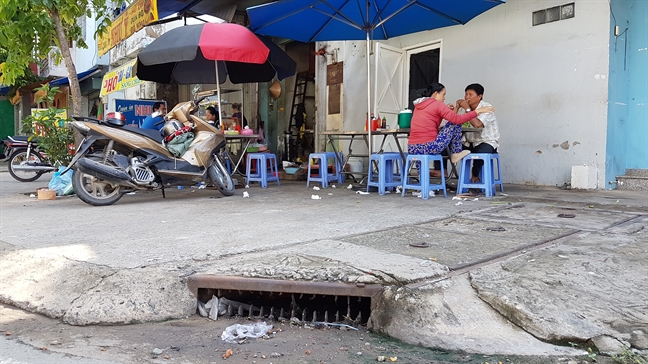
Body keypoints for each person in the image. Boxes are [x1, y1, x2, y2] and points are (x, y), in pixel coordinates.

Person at [407, 82, 495, 177]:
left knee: (451, 126)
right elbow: (457, 119)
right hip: (430, 147)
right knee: (456, 122)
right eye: (443, 94)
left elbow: (433, 122)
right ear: (436, 94)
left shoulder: (419, 106)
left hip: (413, 148)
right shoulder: (438, 105)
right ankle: (456, 153)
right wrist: (478, 111)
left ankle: (422, 183)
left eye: (470, 95)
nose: (444, 98)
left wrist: (446, 109)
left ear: (479, 96)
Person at [455, 83, 500, 183]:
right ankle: (443, 172)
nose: (467, 97)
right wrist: (457, 108)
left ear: (479, 96)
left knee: (480, 153)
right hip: (468, 142)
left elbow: (477, 124)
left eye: (470, 95)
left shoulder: (487, 108)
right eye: (466, 94)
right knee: (447, 147)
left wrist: (467, 109)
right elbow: (453, 122)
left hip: (486, 141)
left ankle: (475, 174)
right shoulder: (464, 108)